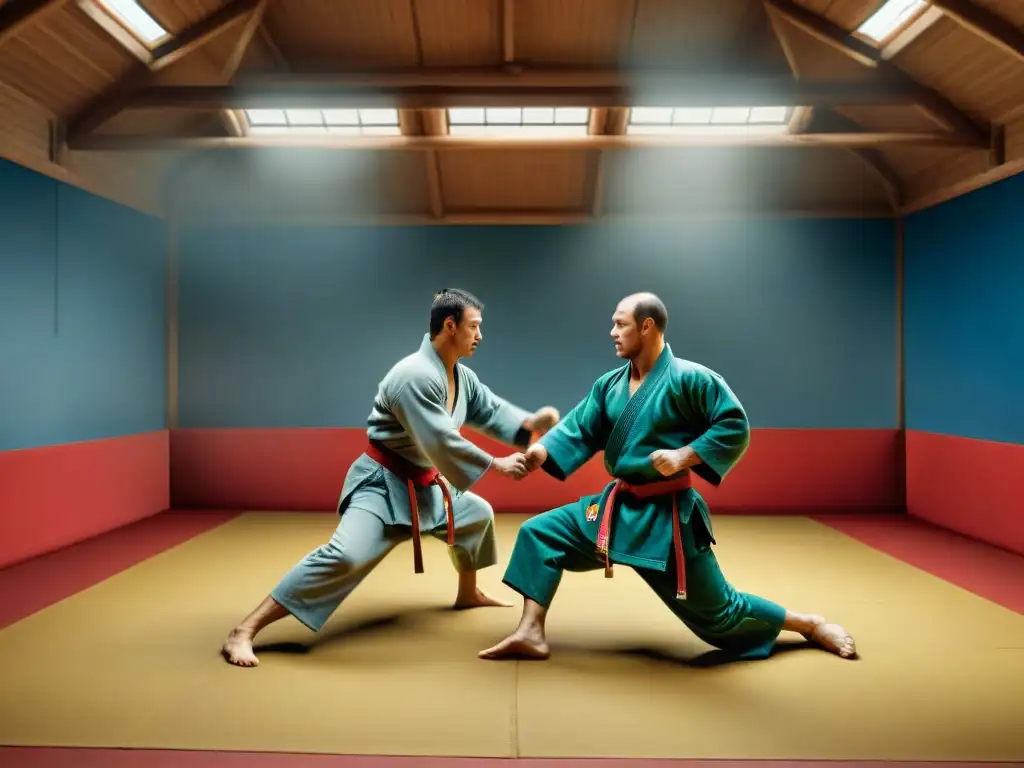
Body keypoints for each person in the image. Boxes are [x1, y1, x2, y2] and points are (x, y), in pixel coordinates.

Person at [478, 292, 856, 663]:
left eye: (620, 324)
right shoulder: (610, 384)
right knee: (539, 534)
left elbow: (733, 426)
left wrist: (683, 456)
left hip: (668, 519)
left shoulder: (692, 379)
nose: (612, 331)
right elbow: (580, 427)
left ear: (646, 327)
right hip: (616, 510)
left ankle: (808, 625)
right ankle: (530, 632)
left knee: (721, 614)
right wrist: (541, 451)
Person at [223, 288, 560, 667]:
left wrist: (528, 425)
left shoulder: (460, 376)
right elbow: (439, 439)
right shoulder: (412, 375)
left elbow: (489, 409)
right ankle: (246, 630)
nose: (479, 336)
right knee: (345, 556)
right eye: (474, 327)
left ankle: (469, 592)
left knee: (476, 517)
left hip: (427, 486)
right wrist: (497, 464)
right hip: (383, 484)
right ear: (450, 326)